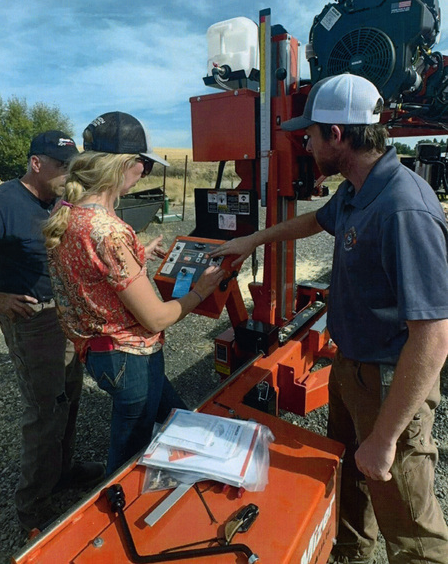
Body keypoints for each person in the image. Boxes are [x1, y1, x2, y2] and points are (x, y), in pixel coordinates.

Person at [213, 74, 448, 564]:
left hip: (388, 380)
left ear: (337, 136)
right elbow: (314, 220)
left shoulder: (404, 208)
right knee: (349, 478)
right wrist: (252, 241)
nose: (305, 143)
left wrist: (385, 439)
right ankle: (352, 554)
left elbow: (433, 338)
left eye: (310, 135)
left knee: (410, 523)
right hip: (349, 367)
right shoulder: (356, 190)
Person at [43, 112, 226, 476]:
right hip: (130, 360)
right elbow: (156, 317)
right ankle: (112, 517)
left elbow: (93, 268)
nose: (145, 172)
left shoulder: (71, 213)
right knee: (128, 460)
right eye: (144, 164)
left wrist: (137, 252)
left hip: (100, 354)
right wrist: (203, 290)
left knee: (179, 416)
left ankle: (203, 466)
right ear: (125, 164)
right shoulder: (109, 233)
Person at [0, 130, 105, 532]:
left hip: (65, 317)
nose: (68, 173)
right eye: (62, 166)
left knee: (70, 396)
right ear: (37, 164)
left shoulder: (59, 202)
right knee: (45, 410)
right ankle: (32, 505)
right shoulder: (4, 202)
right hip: (31, 321)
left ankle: (61, 472)